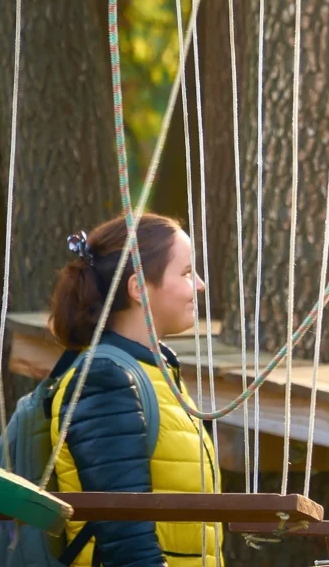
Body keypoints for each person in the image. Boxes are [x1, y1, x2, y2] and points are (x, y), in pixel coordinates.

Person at [49, 213, 221, 566]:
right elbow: (125, 538)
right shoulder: (105, 377)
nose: (200, 285)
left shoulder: (151, 371)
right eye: (188, 273)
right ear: (139, 288)